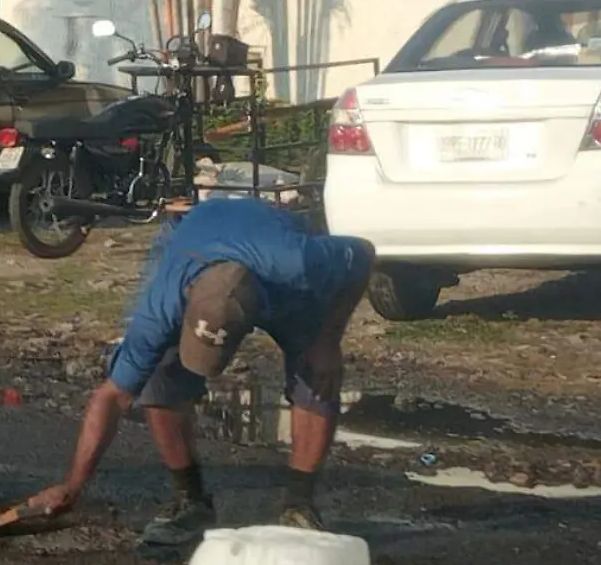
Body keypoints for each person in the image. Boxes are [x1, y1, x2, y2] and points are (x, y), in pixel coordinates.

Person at [30, 196, 375, 545]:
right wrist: (73, 484)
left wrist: (329, 340)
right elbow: (112, 396)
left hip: (277, 262)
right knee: (159, 373)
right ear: (188, 298)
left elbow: (361, 254)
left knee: (318, 373)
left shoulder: (298, 264)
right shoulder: (165, 301)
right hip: (197, 236)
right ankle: (189, 500)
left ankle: (299, 508)